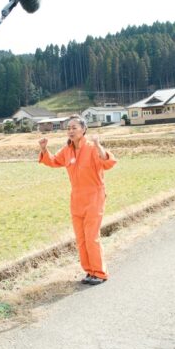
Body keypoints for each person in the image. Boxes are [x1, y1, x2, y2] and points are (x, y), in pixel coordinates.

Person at [38, 115, 117, 285]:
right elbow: (53, 161)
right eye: (68, 128)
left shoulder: (91, 147)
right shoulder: (67, 150)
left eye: (74, 127)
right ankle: (89, 271)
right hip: (76, 199)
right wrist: (44, 150)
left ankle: (100, 273)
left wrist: (98, 145)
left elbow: (107, 162)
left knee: (91, 237)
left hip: (94, 196)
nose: (70, 131)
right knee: (80, 239)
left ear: (83, 129)